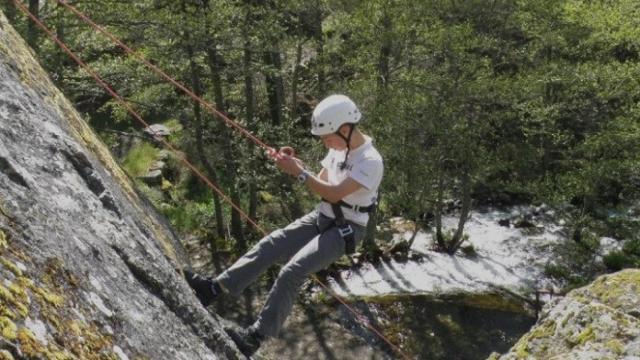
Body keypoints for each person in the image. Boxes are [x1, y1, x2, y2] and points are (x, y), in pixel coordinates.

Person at [184, 94, 384, 357]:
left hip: (346, 228)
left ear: (345, 130)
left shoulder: (370, 160)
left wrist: (299, 173)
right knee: (272, 243)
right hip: (323, 215)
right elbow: (321, 184)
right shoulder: (338, 148)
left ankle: (255, 337)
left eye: (327, 137)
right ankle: (213, 289)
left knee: (293, 271)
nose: (325, 143)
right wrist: (295, 164)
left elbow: (334, 193)